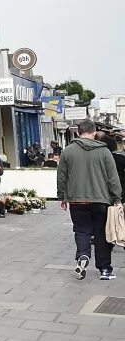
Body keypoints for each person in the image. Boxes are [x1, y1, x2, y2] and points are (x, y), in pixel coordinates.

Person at [58, 120, 123, 280]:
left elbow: (62, 176)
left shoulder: (67, 151)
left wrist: (62, 196)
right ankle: (105, 270)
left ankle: (82, 257)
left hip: (77, 200)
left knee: (81, 231)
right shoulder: (104, 152)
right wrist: (117, 198)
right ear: (94, 132)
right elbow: (112, 178)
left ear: (78, 132)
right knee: (101, 233)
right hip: (101, 200)